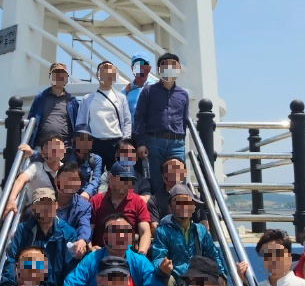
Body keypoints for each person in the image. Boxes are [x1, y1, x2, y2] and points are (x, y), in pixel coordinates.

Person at [149, 182, 243, 286]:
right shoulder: (162, 231)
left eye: (186, 203)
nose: (183, 206)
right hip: (179, 282)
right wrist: (162, 267)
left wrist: (221, 275)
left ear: (193, 207)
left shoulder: (201, 230)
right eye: (178, 203)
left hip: (200, 280)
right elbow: (157, 258)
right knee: (168, 282)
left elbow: (214, 256)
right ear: (170, 207)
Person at [0, 188, 78, 286]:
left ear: (56, 206)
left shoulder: (68, 233)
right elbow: (11, 261)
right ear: (32, 209)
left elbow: (70, 271)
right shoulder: (22, 230)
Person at [132, 52, 190, 183]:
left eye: (173, 66)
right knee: (155, 182)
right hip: (154, 142)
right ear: (159, 70)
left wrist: (181, 141)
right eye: (165, 66)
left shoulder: (183, 94)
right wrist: (141, 144)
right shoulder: (148, 91)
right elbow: (139, 117)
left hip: (176, 144)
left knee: (179, 182)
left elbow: (184, 120)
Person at [76, 60, 133, 174]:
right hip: (94, 144)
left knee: (119, 176)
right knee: (95, 176)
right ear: (97, 75)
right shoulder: (87, 99)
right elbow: (80, 124)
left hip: (116, 142)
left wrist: (125, 142)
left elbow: (127, 121)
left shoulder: (121, 98)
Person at [89, 160, 152, 253]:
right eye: (123, 179)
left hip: (128, 255)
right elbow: (88, 231)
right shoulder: (96, 201)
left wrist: (141, 253)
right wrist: (90, 248)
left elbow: (145, 232)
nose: (127, 184)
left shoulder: (138, 202)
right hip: (100, 255)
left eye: (130, 181)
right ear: (111, 178)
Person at [6, 135, 68, 216]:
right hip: (37, 212)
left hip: (60, 211)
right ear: (42, 154)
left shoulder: (66, 169)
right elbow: (20, 180)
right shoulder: (36, 167)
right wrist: (11, 200)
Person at [144, 154, 207, 226]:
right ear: (162, 175)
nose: (174, 173)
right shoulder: (154, 200)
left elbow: (203, 222)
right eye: (169, 170)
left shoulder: (194, 198)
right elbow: (154, 226)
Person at [26, 62, 78, 147]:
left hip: (65, 148)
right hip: (42, 147)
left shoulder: (72, 101)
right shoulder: (40, 98)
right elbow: (30, 122)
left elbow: (77, 125)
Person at [55, 162, 93, 256]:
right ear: (56, 180)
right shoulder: (45, 200)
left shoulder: (84, 206)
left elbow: (84, 226)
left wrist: (82, 240)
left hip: (67, 252)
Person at [67, 127, 103, 199]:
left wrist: (87, 192)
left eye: (87, 140)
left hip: (87, 195)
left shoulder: (96, 159)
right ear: (73, 141)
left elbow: (96, 179)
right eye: (80, 139)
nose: (83, 143)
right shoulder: (65, 156)